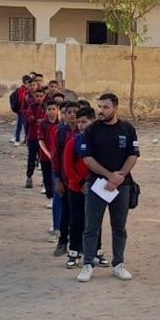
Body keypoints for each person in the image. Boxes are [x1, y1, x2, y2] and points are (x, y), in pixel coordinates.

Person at [76, 93, 138, 283]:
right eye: (100, 107)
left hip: (122, 186)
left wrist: (119, 177)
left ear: (115, 108)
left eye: (105, 107)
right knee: (91, 227)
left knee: (119, 227)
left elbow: (133, 155)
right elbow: (87, 159)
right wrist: (109, 176)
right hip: (97, 185)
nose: (101, 111)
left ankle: (118, 263)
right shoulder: (91, 130)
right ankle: (88, 264)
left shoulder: (127, 129)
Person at [62, 106, 95, 268]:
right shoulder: (73, 142)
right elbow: (68, 166)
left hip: (95, 188)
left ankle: (95, 251)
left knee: (93, 221)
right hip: (76, 188)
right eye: (79, 122)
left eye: (84, 122)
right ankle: (74, 252)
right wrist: (81, 183)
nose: (81, 125)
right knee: (76, 220)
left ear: (93, 122)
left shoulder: (99, 142)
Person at [52, 101, 80, 256]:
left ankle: (80, 245)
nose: (72, 115)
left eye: (75, 112)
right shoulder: (60, 132)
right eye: (69, 112)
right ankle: (62, 242)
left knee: (81, 213)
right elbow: (55, 157)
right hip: (65, 179)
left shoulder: (86, 132)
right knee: (66, 212)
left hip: (82, 180)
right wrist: (57, 178)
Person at [37, 100, 61, 218]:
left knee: (56, 177)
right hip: (45, 156)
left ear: (58, 110)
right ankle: (50, 197)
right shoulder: (43, 124)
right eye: (49, 109)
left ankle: (56, 196)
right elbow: (40, 140)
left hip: (57, 157)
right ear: (46, 111)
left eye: (53, 109)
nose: (51, 111)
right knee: (47, 177)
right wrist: (47, 153)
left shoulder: (60, 124)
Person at [22, 87, 47, 189]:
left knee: (44, 160)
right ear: (34, 96)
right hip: (33, 137)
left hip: (44, 138)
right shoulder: (31, 107)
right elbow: (29, 118)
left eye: (41, 96)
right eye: (37, 96)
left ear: (44, 97)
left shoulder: (47, 107)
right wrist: (38, 120)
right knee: (31, 158)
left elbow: (48, 119)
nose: (39, 98)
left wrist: (40, 121)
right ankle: (29, 177)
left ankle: (45, 180)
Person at [11, 74, 32, 145]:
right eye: (28, 83)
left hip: (25, 110)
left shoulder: (27, 90)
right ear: (25, 82)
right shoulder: (22, 90)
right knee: (19, 125)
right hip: (22, 110)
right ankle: (17, 140)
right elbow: (21, 100)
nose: (29, 85)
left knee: (26, 126)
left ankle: (26, 139)